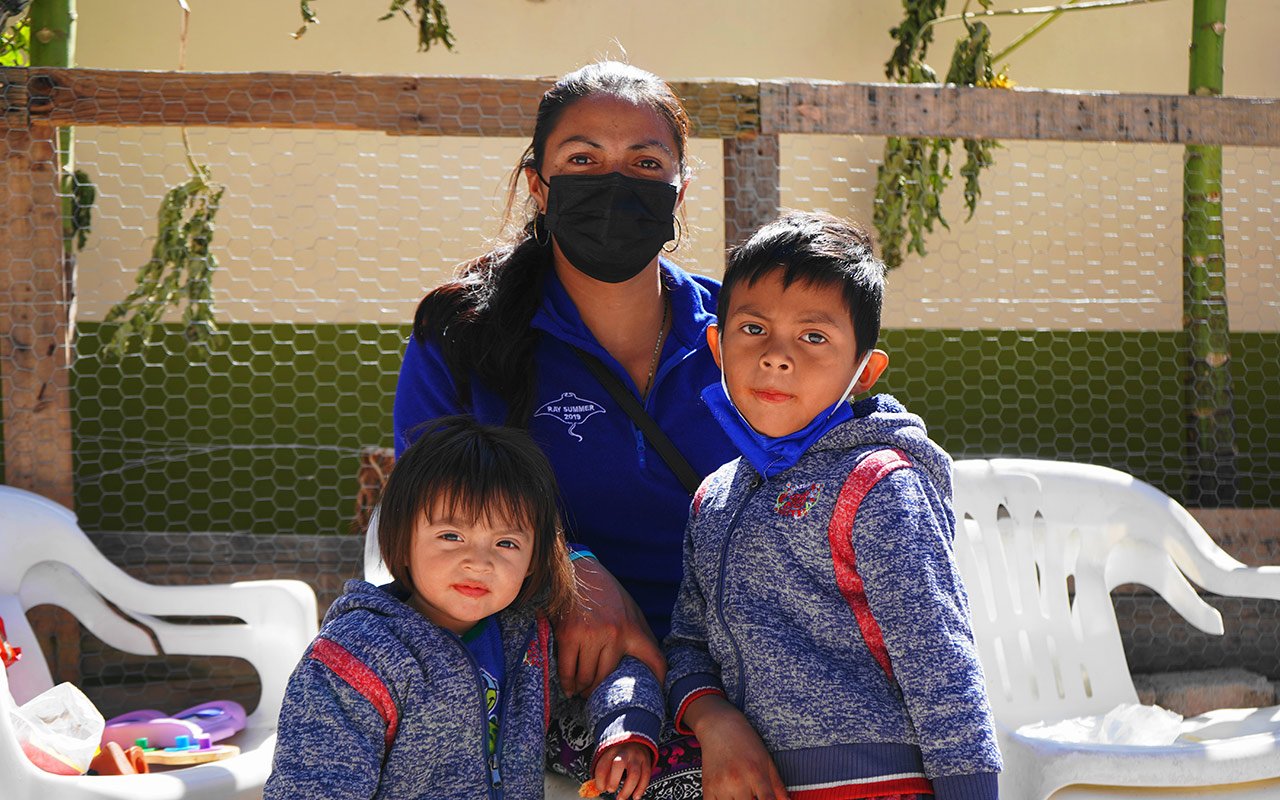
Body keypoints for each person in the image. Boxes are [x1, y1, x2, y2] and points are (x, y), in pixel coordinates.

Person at [394, 59, 737, 754]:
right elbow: (431, 508)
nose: (614, 182)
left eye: (645, 162)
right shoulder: (464, 331)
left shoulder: (746, 328)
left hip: (738, 663)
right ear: (538, 186)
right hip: (543, 662)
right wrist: (569, 569)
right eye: (584, 159)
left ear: (681, 190)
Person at [664, 211, 1003, 800]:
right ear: (717, 345)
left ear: (864, 371)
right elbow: (689, 645)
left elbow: (941, 665)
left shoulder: (879, 484)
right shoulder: (713, 499)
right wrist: (710, 715)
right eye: (752, 330)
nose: (776, 356)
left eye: (814, 337)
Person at [265, 416, 662, 800]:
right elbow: (312, 785)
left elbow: (617, 669)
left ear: (534, 561)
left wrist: (625, 730)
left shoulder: (530, 637)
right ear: (401, 539)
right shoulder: (354, 662)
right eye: (451, 536)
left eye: (506, 543)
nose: (479, 562)